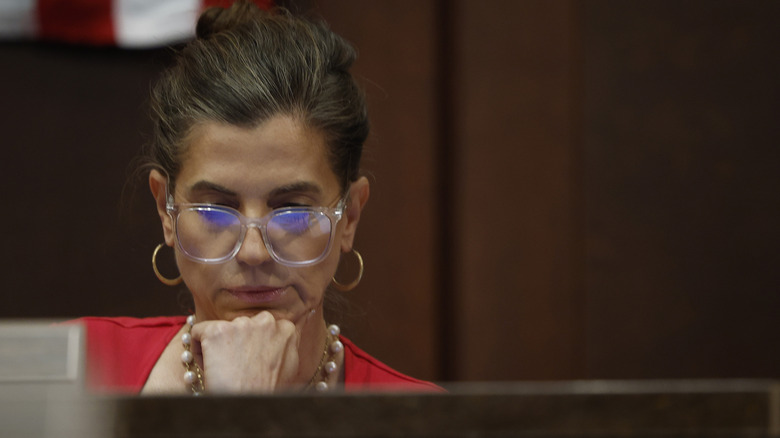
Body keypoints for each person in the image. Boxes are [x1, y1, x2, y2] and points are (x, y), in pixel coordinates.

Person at [78, 1, 440, 394]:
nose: (253, 252)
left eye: (293, 211)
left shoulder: (422, 415)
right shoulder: (79, 368)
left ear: (349, 216)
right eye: (215, 209)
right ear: (166, 210)